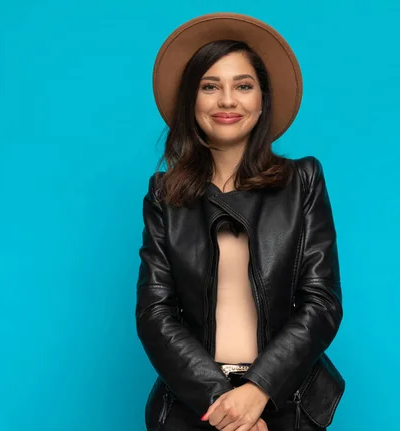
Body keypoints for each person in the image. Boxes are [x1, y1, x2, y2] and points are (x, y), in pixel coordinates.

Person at [135, 12, 345, 431]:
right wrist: (228, 409)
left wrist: (258, 391)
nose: (227, 101)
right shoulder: (165, 195)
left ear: (262, 98)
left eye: (243, 86)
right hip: (194, 402)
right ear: (190, 101)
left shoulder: (302, 181)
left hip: (288, 399)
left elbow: (321, 302)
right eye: (210, 86)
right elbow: (155, 314)